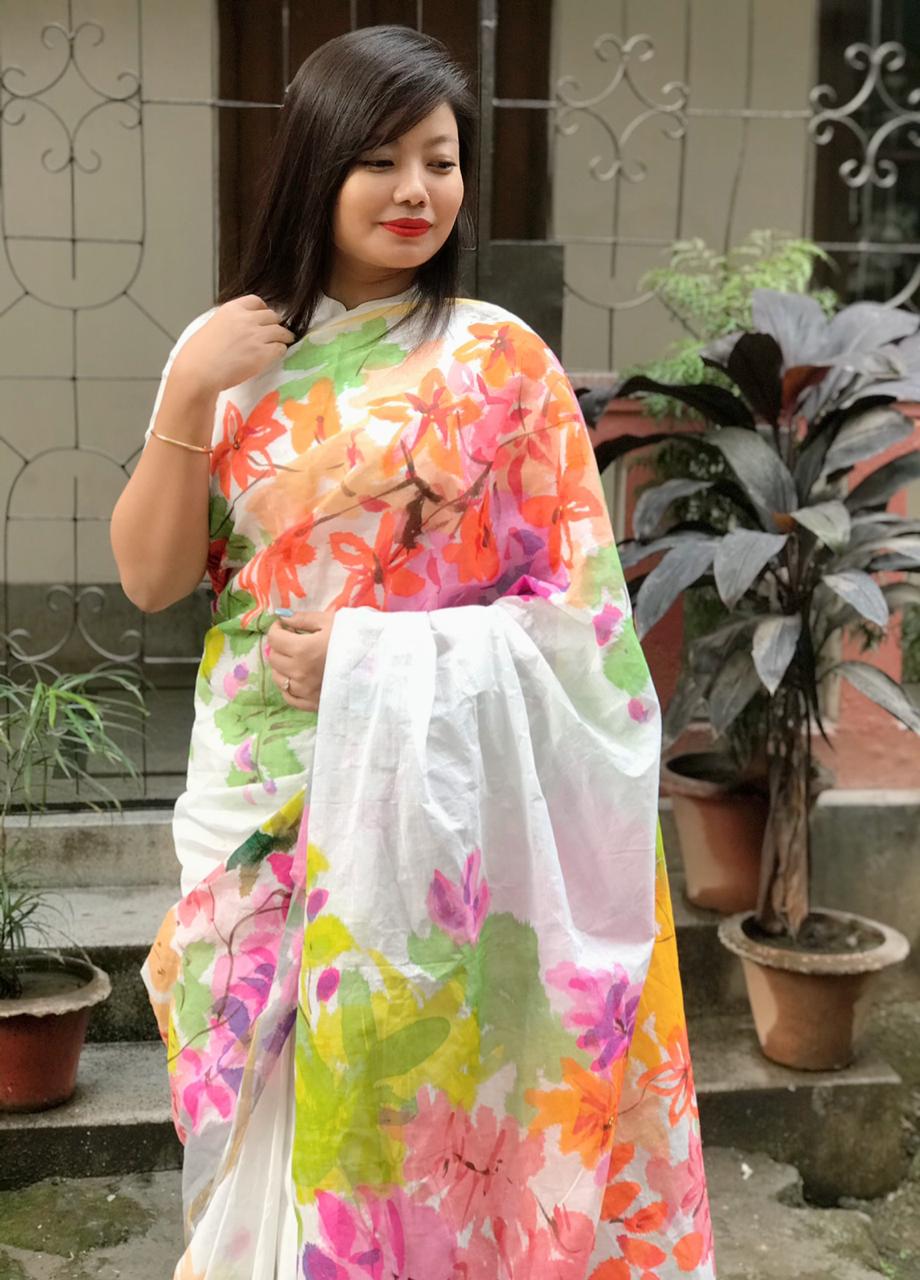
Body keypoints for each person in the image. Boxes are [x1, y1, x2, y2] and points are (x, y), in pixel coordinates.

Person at [112, 24, 715, 1280]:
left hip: (431, 811)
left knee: (421, 1125)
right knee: (265, 1138)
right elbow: (154, 578)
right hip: (259, 798)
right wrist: (185, 395)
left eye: (438, 160)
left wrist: (368, 659)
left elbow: (588, 640)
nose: (414, 190)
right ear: (315, 165)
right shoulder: (229, 354)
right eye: (379, 159)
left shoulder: (501, 364)